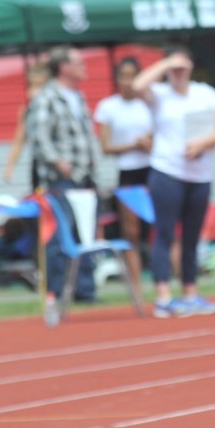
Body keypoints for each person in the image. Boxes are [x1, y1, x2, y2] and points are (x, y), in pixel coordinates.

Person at [132, 43, 215, 318]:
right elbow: (137, 85)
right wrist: (166, 65)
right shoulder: (160, 94)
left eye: (182, 66)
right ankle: (164, 297)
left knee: (192, 237)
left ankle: (190, 293)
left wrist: (204, 142)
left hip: (199, 175)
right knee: (164, 234)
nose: (178, 71)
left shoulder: (205, 93)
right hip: (166, 172)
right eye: (173, 67)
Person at [28, 46, 101, 317]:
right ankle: (55, 292)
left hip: (84, 178)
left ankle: (85, 290)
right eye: (79, 63)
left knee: (86, 235)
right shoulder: (47, 97)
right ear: (64, 67)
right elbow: (39, 139)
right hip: (60, 180)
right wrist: (59, 163)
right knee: (59, 237)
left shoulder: (78, 97)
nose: (84, 67)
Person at [93, 55, 153, 298]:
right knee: (132, 233)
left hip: (153, 169)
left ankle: (170, 283)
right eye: (123, 77)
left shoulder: (150, 103)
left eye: (132, 77)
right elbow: (106, 146)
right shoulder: (109, 107)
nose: (127, 82)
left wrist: (149, 143)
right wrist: (133, 145)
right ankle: (136, 287)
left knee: (162, 229)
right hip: (128, 173)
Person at [3, 61, 50, 190]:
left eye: (39, 86)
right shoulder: (27, 111)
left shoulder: (54, 107)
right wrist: (10, 166)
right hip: (38, 164)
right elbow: (19, 140)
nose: (33, 91)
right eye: (31, 86)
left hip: (57, 164)